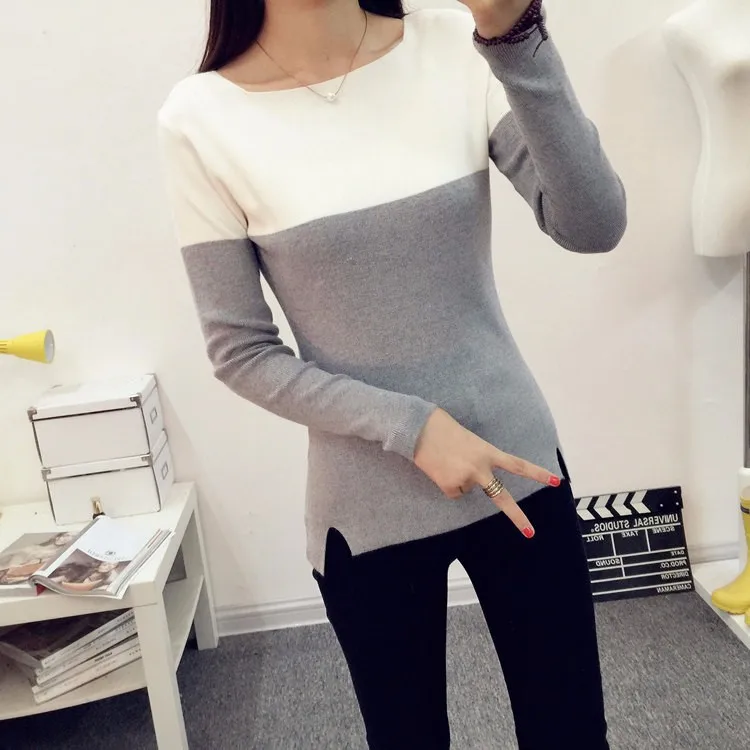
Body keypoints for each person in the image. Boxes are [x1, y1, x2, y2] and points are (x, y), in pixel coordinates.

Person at [158, 0, 626, 747]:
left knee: (569, 732)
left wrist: (516, 37)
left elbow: (594, 225)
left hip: (517, 463)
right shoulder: (200, 117)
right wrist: (413, 427)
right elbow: (240, 351)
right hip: (365, 504)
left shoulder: (452, 45)